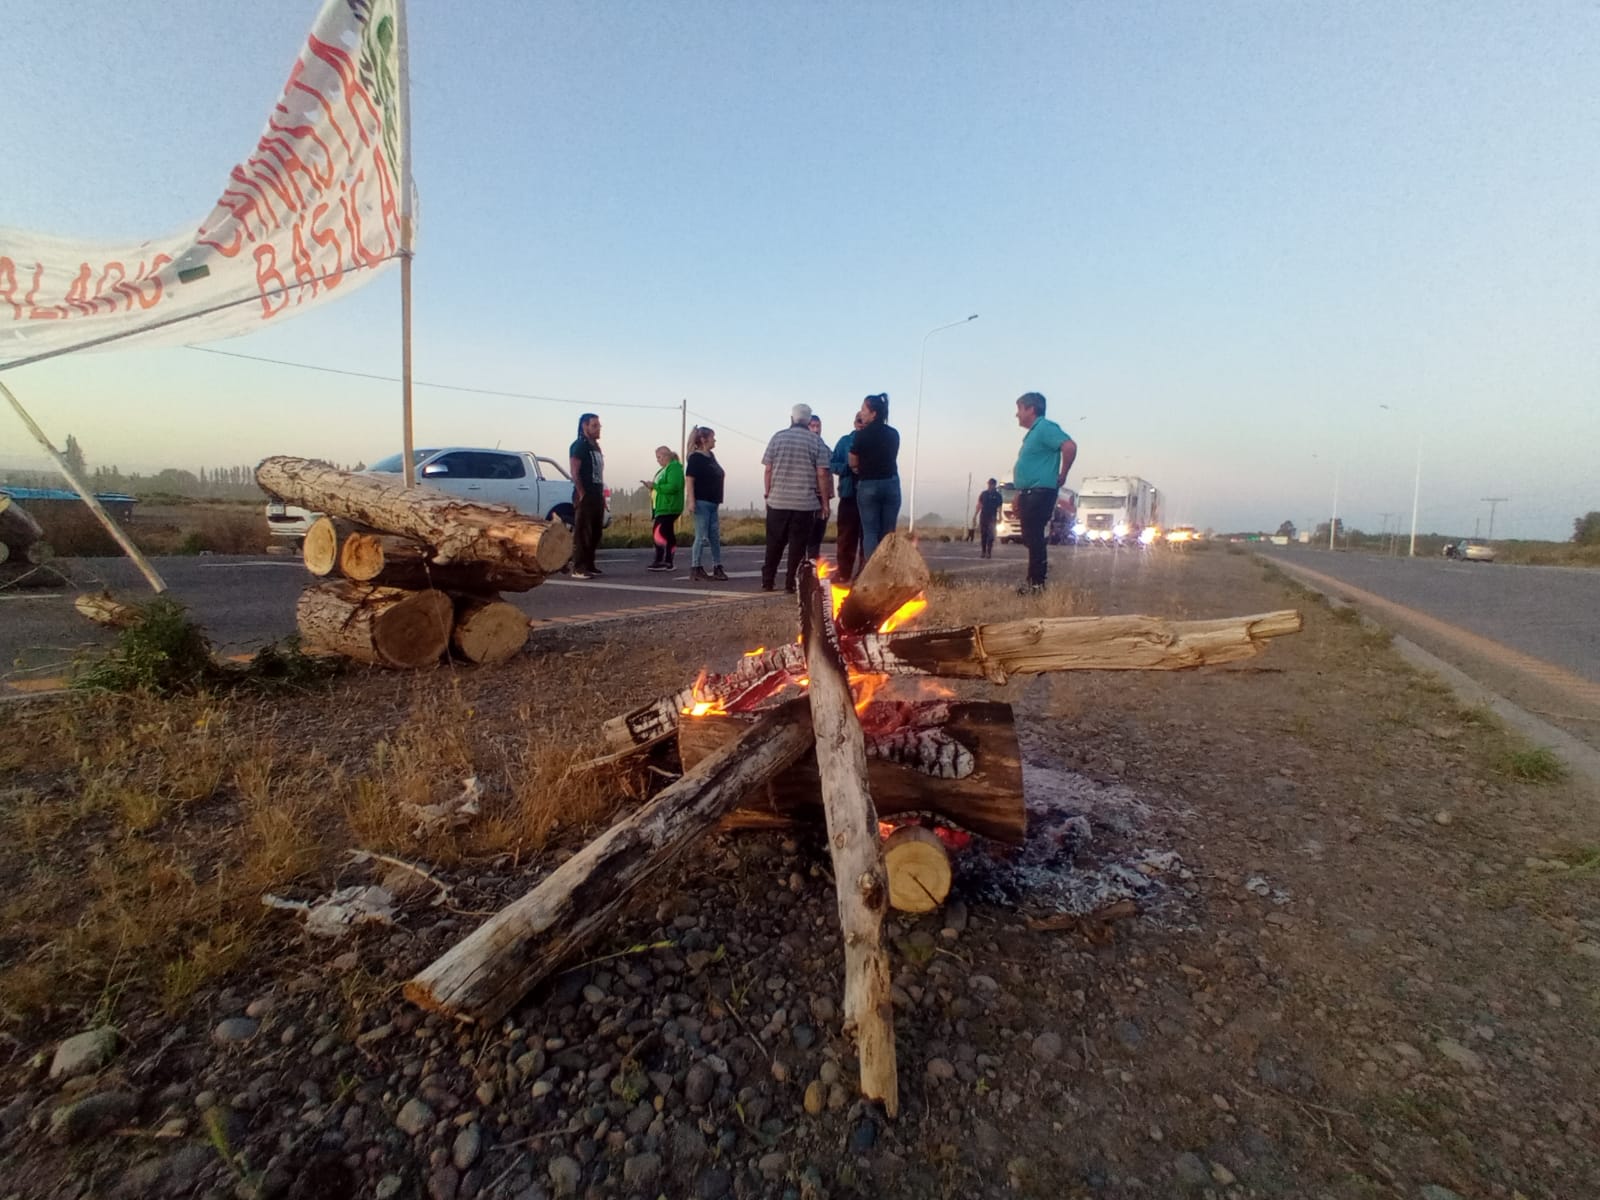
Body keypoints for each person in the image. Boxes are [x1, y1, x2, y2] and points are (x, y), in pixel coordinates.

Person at [1011, 392, 1077, 592]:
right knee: (1031, 537)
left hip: (1040, 492)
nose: (1017, 415)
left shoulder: (1045, 428)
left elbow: (1069, 446)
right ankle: (1035, 579)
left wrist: (1063, 473)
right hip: (1030, 492)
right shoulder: (1034, 433)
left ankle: (1036, 584)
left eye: (1019, 409)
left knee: (1034, 537)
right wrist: (1019, 493)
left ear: (1031, 409)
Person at [760, 403, 830, 593]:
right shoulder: (816, 442)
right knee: (798, 546)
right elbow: (822, 473)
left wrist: (768, 493)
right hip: (805, 503)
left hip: (778, 501)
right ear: (808, 420)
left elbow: (768, 469)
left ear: (791, 418)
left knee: (774, 543)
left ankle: (768, 581)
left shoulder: (778, 437)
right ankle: (791, 583)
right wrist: (824, 502)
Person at [848, 393, 900, 561]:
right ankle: (888, 568)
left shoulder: (862, 435)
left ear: (873, 413)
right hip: (890, 483)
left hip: (868, 484)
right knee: (888, 532)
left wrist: (857, 469)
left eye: (864, 409)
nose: (861, 412)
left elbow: (853, 460)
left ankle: (872, 571)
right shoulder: (894, 434)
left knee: (870, 531)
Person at [684, 426, 728, 581]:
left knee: (714, 536)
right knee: (701, 536)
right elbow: (689, 479)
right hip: (702, 501)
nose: (714, 440)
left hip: (713, 502)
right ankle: (695, 566)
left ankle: (717, 566)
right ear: (703, 439)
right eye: (712, 437)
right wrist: (691, 500)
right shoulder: (695, 458)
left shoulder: (711, 456)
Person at [567, 412, 605, 579]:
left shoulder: (595, 447)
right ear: (585, 426)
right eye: (594, 425)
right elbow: (575, 471)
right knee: (583, 531)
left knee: (596, 531)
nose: (598, 429)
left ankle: (590, 564)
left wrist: (602, 495)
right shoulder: (579, 445)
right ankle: (579, 567)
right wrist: (581, 492)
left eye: (598, 425)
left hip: (597, 492)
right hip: (586, 493)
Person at [830, 410, 864, 581]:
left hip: (866, 496)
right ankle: (843, 572)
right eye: (858, 419)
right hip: (848, 493)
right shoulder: (844, 441)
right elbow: (832, 463)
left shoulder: (871, 441)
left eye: (863, 419)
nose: (860, 422)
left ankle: (864, 574)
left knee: (867, 537)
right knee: (845, 537)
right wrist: (846, 468)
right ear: (854, 422)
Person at [643, 446, 683, 571]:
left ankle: (661, 560)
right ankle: (668, 561)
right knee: (668, 533)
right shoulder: (664, 470)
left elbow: (673, 486)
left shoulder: (674, 468)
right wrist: (652, 488)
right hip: (662, 506)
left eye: (659, 457)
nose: (658, 460)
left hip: (669, 507)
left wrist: (655, 486)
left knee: (658, 532)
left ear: (667, 456)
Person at [806, 414, 833, 560]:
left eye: (818, 426)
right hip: (810, 495)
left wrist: (828, 497)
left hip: (822, 495)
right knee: (809, 534)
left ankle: (812, 563)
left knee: (817, 534)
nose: (816, 430)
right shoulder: (805, 448)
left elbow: (829, 471)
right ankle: (806, 565)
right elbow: (822, 473)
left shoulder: (825, 448)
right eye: (812, 426)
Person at [974, 477, 1004, 558]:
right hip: (983, 516)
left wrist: (1000, 516)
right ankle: (983, 551)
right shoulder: (984, 494)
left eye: (991, 484)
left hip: (992, 517)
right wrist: (975, 515)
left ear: (994, 485)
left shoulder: (998, 495)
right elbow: (979, 505)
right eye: (989, 484)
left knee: (991, 536)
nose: (990, 486)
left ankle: (989, 552)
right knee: (983, 534)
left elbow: (1000, 507)